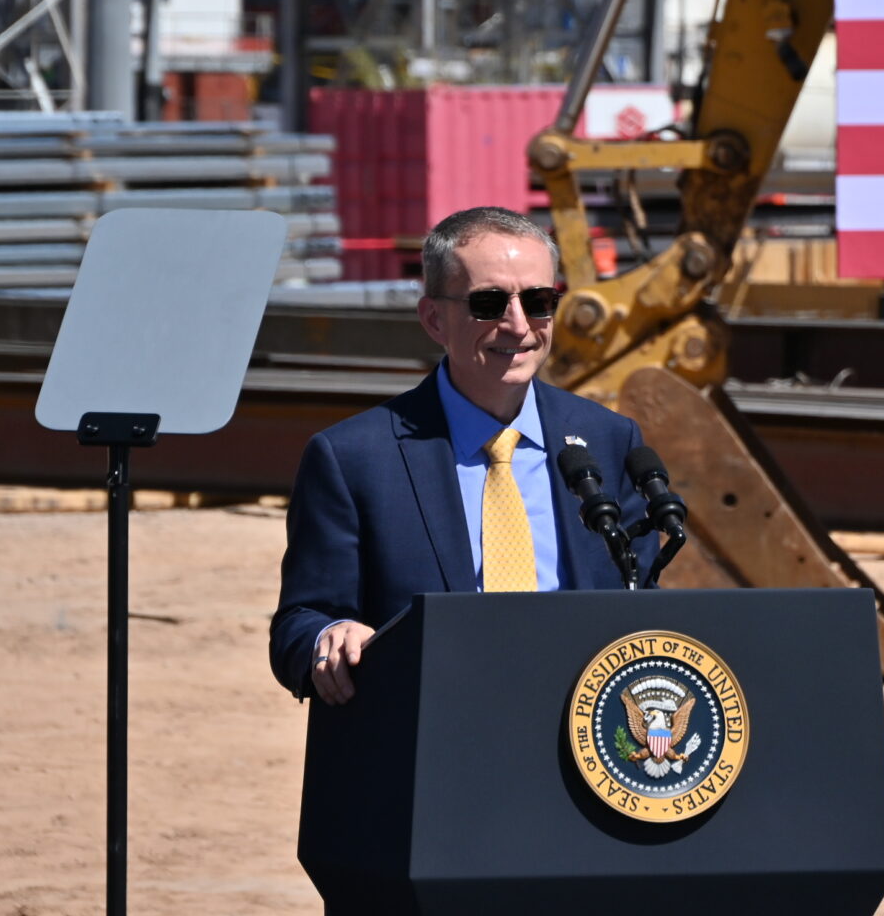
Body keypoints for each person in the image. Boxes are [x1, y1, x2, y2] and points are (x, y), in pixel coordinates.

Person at [268, 205, 656, 702]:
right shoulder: (352, 458)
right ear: (433, 318)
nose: (519, 326)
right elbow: (300, 624)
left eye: (539, 301)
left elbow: (643, 603)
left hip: (579, 741)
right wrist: (331, 637)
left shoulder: (609, 439)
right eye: (490, 304)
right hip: (432, 735)